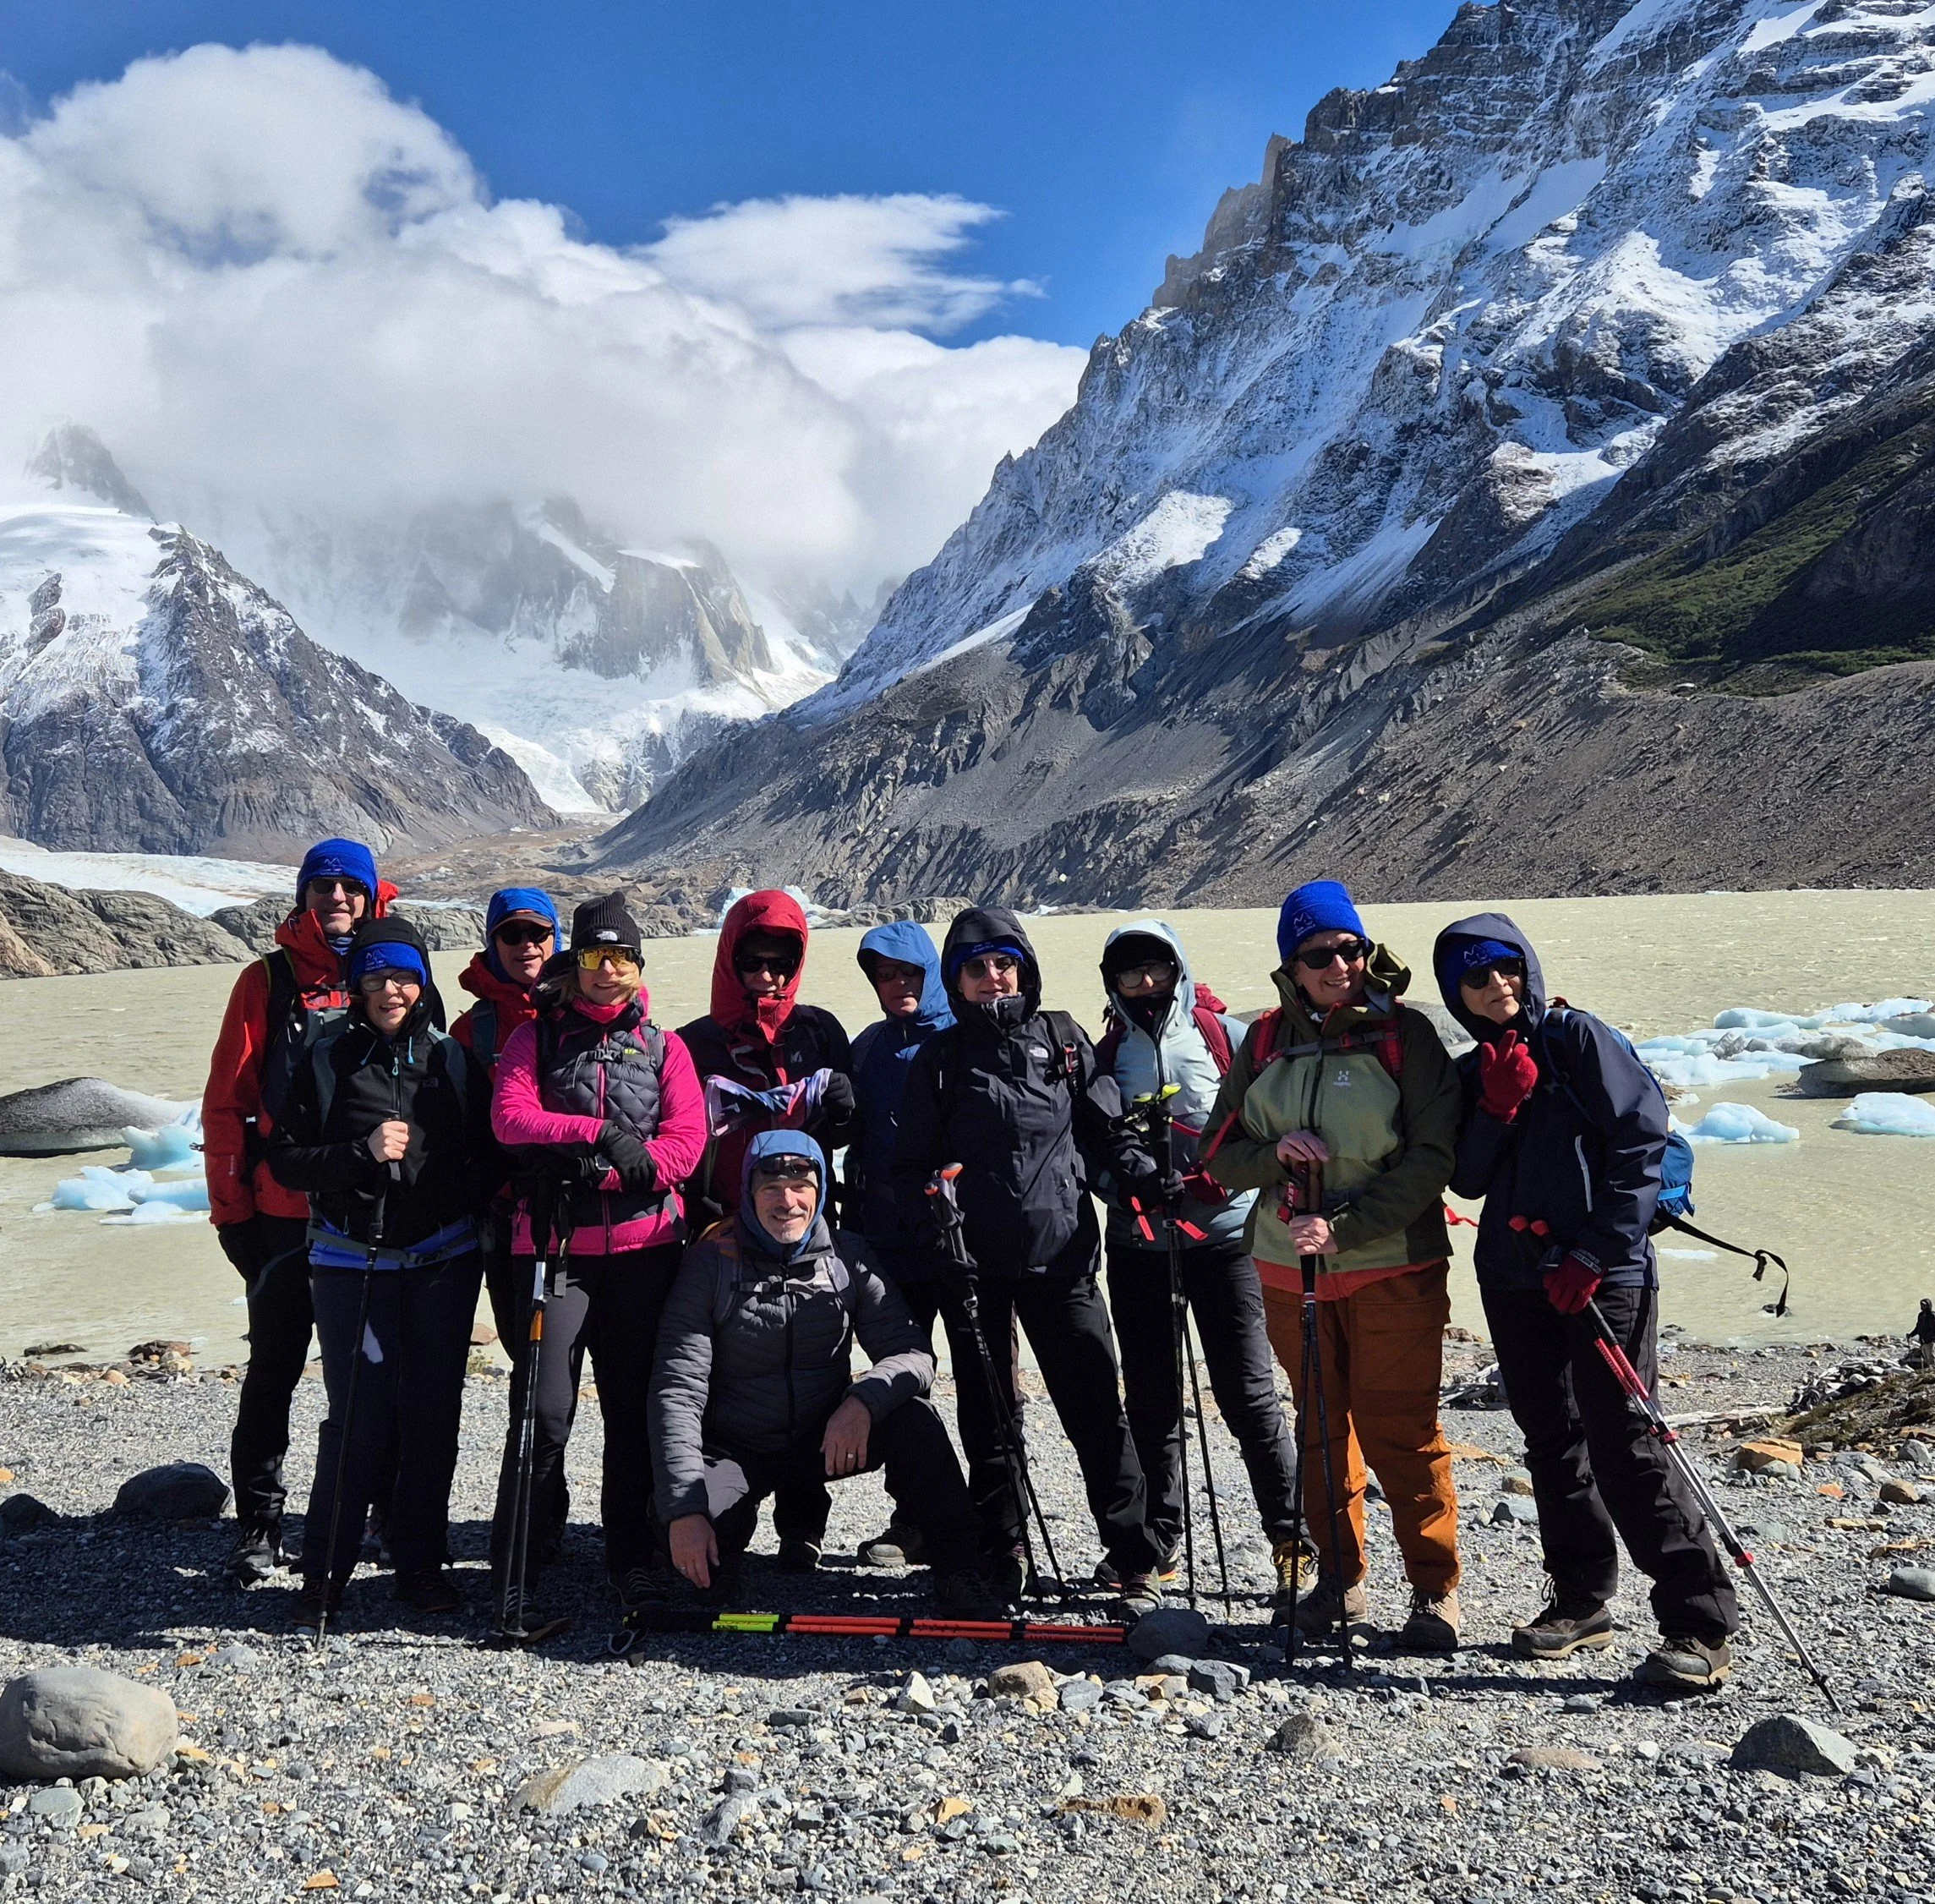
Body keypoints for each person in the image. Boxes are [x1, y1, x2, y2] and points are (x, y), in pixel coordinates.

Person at [1434, 912, 1741, 1691]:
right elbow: (1465, 1178)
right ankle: (1580, 1601)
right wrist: (1498, 1110)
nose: (1496, 986)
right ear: (1455, 992)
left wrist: (1593, 1251)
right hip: (1514, 1274)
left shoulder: (1579, 1040)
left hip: (1602, 1274)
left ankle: (1698, 1625)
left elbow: (1640, 1143)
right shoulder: (1474, 1071)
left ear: (1527, 969)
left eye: (1506, 969)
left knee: (1627, 1442)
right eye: (1476, 977)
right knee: (1550, 1440)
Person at [1204, 879, 1463, 1650]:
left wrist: (1344, 1227)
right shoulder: (1261, 1042)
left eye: (1349, 949)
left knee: (1402, 1429)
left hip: (1393, 1266)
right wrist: (1273, 1154)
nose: (1338, 965)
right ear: (1293, 961)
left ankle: (1433, 1591)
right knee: (1319, 1427)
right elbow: (1218, 1155)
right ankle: (1339, 1582)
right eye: (1318, 954)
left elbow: (1431, 1158)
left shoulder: (1403, 1036)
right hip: (1288, 1270)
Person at [892, 907, 1169, 1613]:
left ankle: (1133, 1556)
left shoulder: (1063, 1039)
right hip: (973, 1265)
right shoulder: (943, 1058)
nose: (993, 977)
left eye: (1004, 963)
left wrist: (1142, 1170)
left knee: (1095, 1409)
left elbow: (1104, 1128)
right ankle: (1002, 1549)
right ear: (955, 980)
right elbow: (914, 1162)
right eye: (976, 967)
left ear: (1024, 967)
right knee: (989, 1413)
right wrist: (936, 1228)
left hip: (1062, 1255)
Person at [650, 1130, 1001, 1617]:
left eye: (801, 1186)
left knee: (914, 1421)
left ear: (821, 1192)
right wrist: (684, 1512)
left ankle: (960, 1568)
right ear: (749, 1196)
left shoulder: (848, 1255)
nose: (787, 1201)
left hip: (822, 1439)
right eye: (770, 1188)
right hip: (736, 1447)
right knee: (699, 1575)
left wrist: (861, 1402)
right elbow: (677, 1392)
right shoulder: (711, 1262)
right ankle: (728, 1529)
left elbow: (913, 1353)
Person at [268, 916, 494, 1626]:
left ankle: (419, 1568)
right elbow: (286, 1159)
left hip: (442, 1262)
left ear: (422, 981)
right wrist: (361, 1153)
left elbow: (487, 1158)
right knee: (358, 1417)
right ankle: (323, 1575)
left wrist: (450, 1201)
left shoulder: (453, 1061)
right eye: (374, 977)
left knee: (433, 1416)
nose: (390, 990)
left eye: (402, 976)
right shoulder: (326, 1060)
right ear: (356, 985)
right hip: (349, 1262)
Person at [489, 893, 706, 1618]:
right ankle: (516, 1561)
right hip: (553, 1250)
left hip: (646, 1251)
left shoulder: (666, 1048)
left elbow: (682, 1148)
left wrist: (600, 1170)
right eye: (593, 958)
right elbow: (510, 1119)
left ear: (639, 968)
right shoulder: (535, 1040)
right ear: (572, 965)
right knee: (543, 1412)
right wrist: (599, 1134)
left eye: (621, 958)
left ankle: (628, 1558)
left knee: (628, 1409)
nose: (607, 971)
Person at [204, 837, 399, 1587]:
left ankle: (378, 1513)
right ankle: (258, 1525)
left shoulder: (395, 971)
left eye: (351, 886)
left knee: (374, 1370)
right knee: (274, 1370)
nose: (338, 898)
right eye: (324, 887)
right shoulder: (267, 981)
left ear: (373, 894)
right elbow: (228, 1098)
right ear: (304, 897)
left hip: (371, 1213)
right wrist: (231, 1213)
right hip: (284, 1214)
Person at [1094, 921, 1302, 1601]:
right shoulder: (1106, 1053)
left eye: (1156, 968)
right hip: (1137, 1246)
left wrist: (1219, 1180)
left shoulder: (1224, 1038)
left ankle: (1290, 1535)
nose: (1146, 984)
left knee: (1247, 1395)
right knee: (1151, 1400)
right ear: (1112, 983)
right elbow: (1091, 1151)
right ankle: (1157, 1544)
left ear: (1179, 967)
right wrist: (1123, 1186)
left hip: (1224, 1241)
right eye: (1130, 974)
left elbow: (1270, 1130)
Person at [677, 888, 855, 1571]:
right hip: (724, 1236)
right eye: (753, 960)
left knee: (813, 1367)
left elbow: (850, 1133)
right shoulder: (696, 1043)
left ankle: (803, 1522)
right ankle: (732, 1507)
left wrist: (839, 1109)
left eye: (784, 960)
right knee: (732, 1381)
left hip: (805, 1232)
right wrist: (701, 1221)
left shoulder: (819, 1033)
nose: (769, 975)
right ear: (730, 959)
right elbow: (680, 1141)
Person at [843, 922, 956, 1568]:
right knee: (902, 1381)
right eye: (885, 975)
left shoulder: (962, 1042)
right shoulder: (869, 1048)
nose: (899, 984)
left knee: (990, 1379)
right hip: (889, 1244)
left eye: (909, 971)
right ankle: (913, 1518)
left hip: (959, 1244)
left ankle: (1002, 1526)